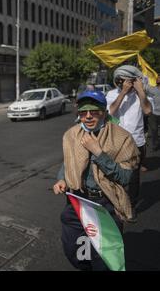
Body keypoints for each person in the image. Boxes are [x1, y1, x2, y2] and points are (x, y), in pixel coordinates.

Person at [53, 90, 139, 271]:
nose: (88, 116)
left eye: (94, 111)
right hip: (77, 200)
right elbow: (69, 161)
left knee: (104, 258)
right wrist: (62, 179)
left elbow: (125, 177)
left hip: (105, 205)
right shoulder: (71, 135)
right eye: (83, 112)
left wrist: (99, 152)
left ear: (104, 112)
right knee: (74, 249)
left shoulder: (122, 138)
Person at [106, 65, 153, 218]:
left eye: (127, 81)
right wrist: (123, 93)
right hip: (116, 141)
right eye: (120, 80)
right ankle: (116, 202)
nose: (123, 83)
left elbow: (148, 111)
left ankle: (131, 205)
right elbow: (110, 112)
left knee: (133, 177)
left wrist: (140, 91)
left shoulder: (142, 95)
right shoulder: (112, 94)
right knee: (114, 173)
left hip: (136, 141)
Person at [146, 75, 160, 151]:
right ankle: (154, 145)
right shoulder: (152, 89)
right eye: (157, 78)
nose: (158, 79)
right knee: (154, 130)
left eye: (159, 77)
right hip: (154, 114)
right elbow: (144, 87)